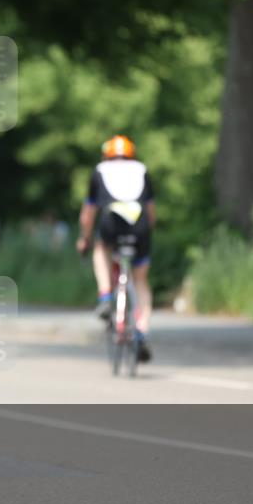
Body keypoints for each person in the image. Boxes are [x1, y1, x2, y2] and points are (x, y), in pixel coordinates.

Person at [76, 135, 156, 362]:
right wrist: (146, 234)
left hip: (111, 222)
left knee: (101, 250)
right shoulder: (142, 170)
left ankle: (104, 296)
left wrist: (85, 238)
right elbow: (151, 213)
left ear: (107, 154)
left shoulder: (100, 170)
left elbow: (88, 214)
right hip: (139, 225)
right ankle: (142, 329)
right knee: (140, 281)